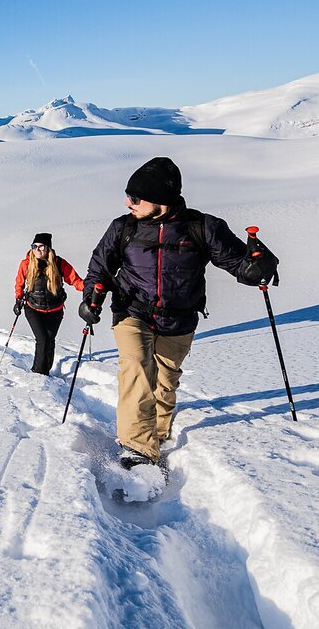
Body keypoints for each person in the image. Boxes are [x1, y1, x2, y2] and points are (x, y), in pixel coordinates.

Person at [80, 157, 279, 469]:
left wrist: (257, 268)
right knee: (136, 368)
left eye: (134, 197)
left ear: (158, 199)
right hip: (132, 311)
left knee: (165, 380)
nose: (127, 203)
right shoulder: (124, 227)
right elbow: (100, 267)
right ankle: (138, 449)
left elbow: (238, 263)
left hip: (180, 318)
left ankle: (157, 432)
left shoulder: (202, 227)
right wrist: (92, 296)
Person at [13, 233, 86, 375]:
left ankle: (46, 371)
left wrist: (90, 287)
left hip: (55, 310)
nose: (37, 250)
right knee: (42, 339)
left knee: (50, 340)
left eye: (41, 246)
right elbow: (19, 283)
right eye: (34, 247)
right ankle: (38, 372)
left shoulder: (59, 263)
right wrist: (18, 299)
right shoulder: (27, 264)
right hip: (33, 307)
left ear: (48, 248)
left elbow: (75, 280)